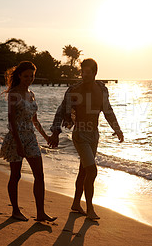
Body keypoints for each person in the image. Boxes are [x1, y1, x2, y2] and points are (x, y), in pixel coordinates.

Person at [49, 58, 124, 220]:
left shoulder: (102, 90)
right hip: (80, 134)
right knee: (92, 170)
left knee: (84, 171)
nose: (84, 75)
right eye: (82, 72)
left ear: (95, 73)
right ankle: (90, 208)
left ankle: (76, 204)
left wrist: (117, 129)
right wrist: (56, 131)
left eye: (88, 73)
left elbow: (108, 111)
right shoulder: (74, 90)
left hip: (94, 135)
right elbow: (61, 111)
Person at [0, 61, 56, 222]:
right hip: (16, 137)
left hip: (31, 138)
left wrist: (46, 138)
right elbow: (11, 120)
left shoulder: (31, 94)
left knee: (39, 175)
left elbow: (35, 120)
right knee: (15, 175)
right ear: (19, 76)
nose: (29, 79)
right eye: (26, 76)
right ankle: (15, 211)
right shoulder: (13, 94)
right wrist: (18, 144)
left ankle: (40, 213)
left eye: (32, 76)